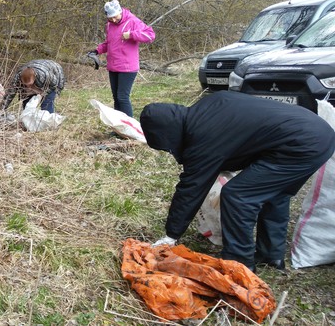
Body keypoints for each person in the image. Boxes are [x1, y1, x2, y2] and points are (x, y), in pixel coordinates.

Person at [140, 91, 335, 271]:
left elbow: (191, 188)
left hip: (301, 144)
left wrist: (171, 235)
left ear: (168, 133)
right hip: (317, 132)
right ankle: (270, 256)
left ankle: (239, 265)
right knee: (276, 194)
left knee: (238, 195)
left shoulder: (201, 137)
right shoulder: (207, 107)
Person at [89, 0, 155, 118]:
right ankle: (119, 127)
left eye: (115, 17)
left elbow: (150, 35)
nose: (113, 20)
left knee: (122, 97)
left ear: (120, 12)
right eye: (110, 18)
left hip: (128, 67)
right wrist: (97, 51)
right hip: (113, 66)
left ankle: (129, 128)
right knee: (116, 98)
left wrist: (131, 35)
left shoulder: (132, 21)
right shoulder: (109, 25)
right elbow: (109, 43)